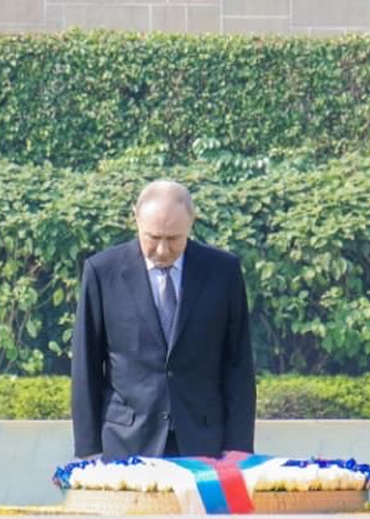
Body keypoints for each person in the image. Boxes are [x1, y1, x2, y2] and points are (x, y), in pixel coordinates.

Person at [71, 179, 256, 460]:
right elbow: (86, 363)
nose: (162, 250)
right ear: (135, 217)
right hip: (126, 440)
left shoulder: (223, 271)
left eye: (173, 239)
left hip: (203, 438)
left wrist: (238, 445)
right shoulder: (102, 272)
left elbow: (238, 362)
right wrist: (88, 449)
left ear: (192, 222)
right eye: (153, 238)